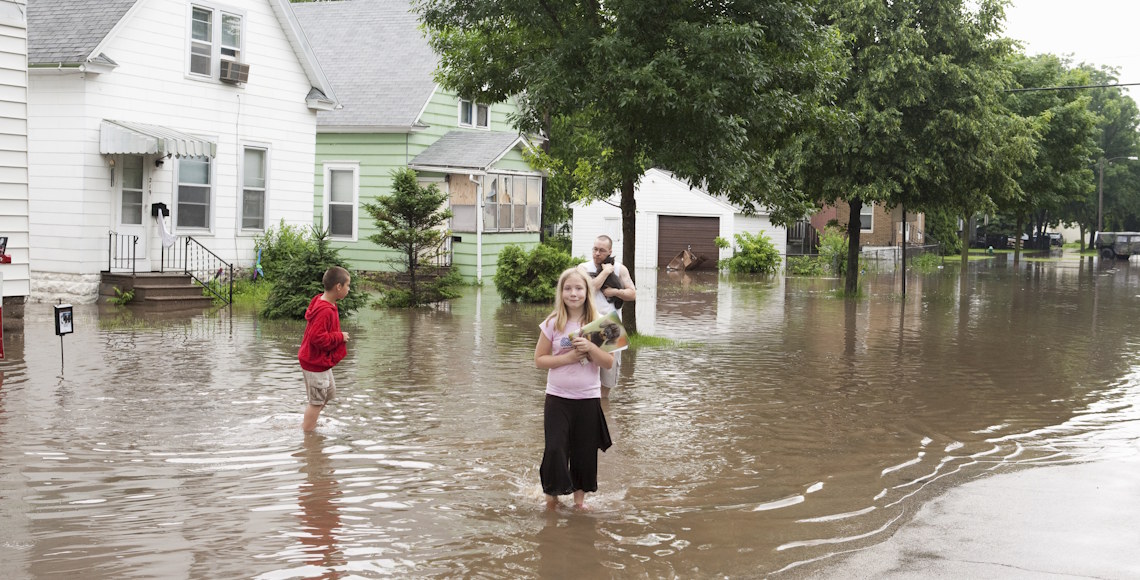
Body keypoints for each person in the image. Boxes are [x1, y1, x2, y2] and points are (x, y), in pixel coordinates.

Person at [535, 267, 614, 510]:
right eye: (568, 288)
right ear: (561, 292)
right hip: (557, 398)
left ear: (587, 291)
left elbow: (608, 363)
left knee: (584, 451)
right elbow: (539, 360)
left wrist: (591, 349)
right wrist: (567, 359)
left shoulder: (601, 322)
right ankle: (552, 499)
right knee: (555, 449)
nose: (573, 293)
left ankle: (579, 503)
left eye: (579, 288)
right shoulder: (552, 322)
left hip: (588, 398)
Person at [579, 235, 636, 397]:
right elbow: (588, 288)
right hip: (587, 324)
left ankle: (604, 410)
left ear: (610, 251)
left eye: (602, 251)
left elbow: (632, 294)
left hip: (611, 326)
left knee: (607, 379)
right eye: (595, 249)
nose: (597, 253)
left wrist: (615, 292)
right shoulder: (583, 268)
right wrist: (605, 273)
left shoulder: (620, 269)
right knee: (585, 373)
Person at [298, 266, 352, 432]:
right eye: (348, 285)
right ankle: (308, 436)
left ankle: (311, 422)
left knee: (328, 394)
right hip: (314, 362)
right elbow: (317, 338)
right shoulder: (324, 311)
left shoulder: (323, 301)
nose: (349, 289)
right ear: (338, 287)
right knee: (316, 402)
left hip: (321, 361)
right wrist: (340, 337)